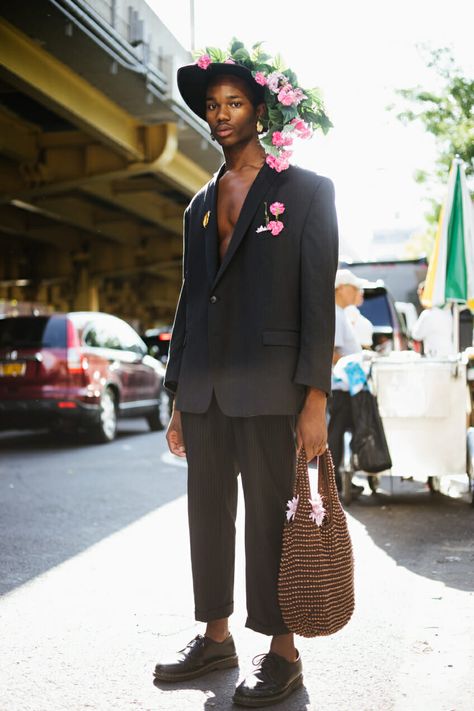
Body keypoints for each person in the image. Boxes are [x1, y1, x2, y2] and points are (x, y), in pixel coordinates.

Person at [153, 41, 338, 707]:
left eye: (233, 102)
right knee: (207, 516)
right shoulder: (197, 204)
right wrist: (177, 396)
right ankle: (216, 636)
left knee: (270, 519)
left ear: (260, 110)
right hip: (203, 388)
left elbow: (318, 298)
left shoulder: (308, 191)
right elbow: (188, 299)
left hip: (273, 387)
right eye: (212, 105)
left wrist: (314, 395)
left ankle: (283, 652)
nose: (220, 114)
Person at [328, 269, 365, 494]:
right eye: (354, 288)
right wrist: (354, 361)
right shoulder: (334, 313)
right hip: (340, 385)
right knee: (337, 432)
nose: (357, 293)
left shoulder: (341, 312)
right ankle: (335, 483)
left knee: (340, 431)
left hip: (346, 385)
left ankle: (341, 481)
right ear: (341, 288)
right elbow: (330, 352)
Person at [412, 281, 453, 357]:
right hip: (449, 354)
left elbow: (416, 334)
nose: (420, 299)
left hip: (435, 358)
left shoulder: (428, 314)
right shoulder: (447, 311)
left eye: (421, 295)